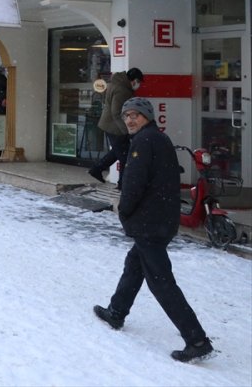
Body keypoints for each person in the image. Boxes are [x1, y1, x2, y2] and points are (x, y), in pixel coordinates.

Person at [93, 97, 214, 363]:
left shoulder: (144, 142)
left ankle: (197, 340)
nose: (130, 120)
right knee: (134, 263)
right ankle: (117, 311)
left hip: (150, 222)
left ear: (148, 116)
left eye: (136, 114)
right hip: (160, 219)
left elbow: (135, 182)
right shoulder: (158, 139)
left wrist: (124, 210)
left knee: (161, 282)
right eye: (126, 116)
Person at [91, 67, 143, 186]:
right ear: (134, 80)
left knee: (118, 151)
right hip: (115, 127)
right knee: (125, 157)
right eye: (138, 82)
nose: (138, 85)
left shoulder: (117, 84)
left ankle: (97, 169)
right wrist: (126, 130)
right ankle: (123, 184)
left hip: (110, 125)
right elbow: (116, 112)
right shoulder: (122, 90)